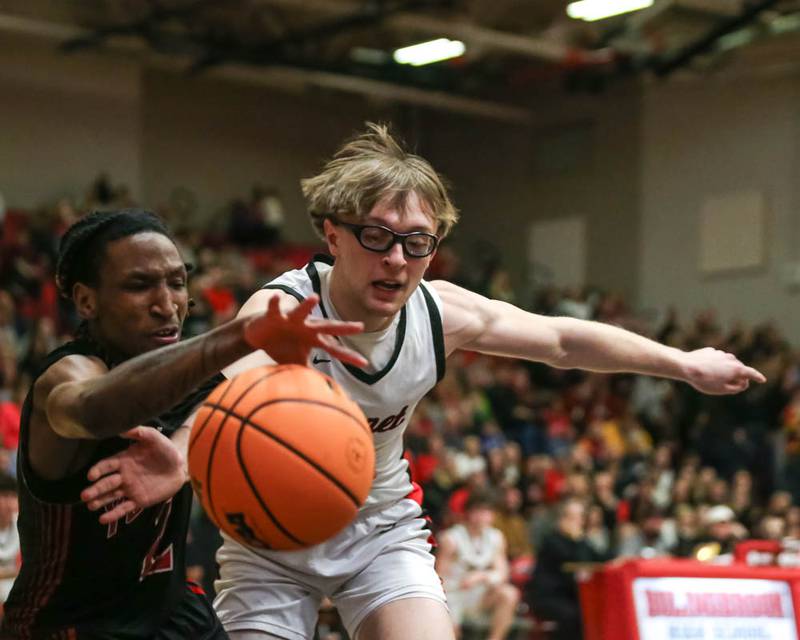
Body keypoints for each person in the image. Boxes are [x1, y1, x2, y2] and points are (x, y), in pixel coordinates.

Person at [102, 124, 764, 640]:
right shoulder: (282, 310)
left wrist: (682, 364)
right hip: (271, 542)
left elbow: (563, 340)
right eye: (377, 237)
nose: (397, 259)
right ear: (332, 234)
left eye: (416, 242)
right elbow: (230, 398)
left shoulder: (440, 311)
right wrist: (182, 457)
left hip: (378, 530)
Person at [1, 209, 365, 640]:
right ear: (86, 301)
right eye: (139, 286)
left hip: (172, 613)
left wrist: (184, 452)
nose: (165, 304)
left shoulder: (194, 373)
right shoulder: (65, 375)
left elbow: (224, 404)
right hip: (72, 626)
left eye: (176, 282)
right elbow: (97, 409)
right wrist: (234, 336)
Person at [435, 491, 520, 640]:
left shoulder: (496, 537)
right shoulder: (451, 538)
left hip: (480, 595)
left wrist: (481, 576)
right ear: (469, 512)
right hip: (453, 594)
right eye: (478, 511)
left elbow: (502, 573)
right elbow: (438, 579)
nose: (483, 516)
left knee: (509, 593)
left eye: (488, 511)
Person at [526, 498, 606, 640]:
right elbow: (576, 561)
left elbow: (599, 558)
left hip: (570, 596)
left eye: (581, 517)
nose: (579, 521)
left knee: (594, 610)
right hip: (548, 597)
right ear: (562, 519)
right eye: (573, 517)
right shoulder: (552, 541)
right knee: (575, 615)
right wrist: (579, 539)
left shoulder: (580, 541)